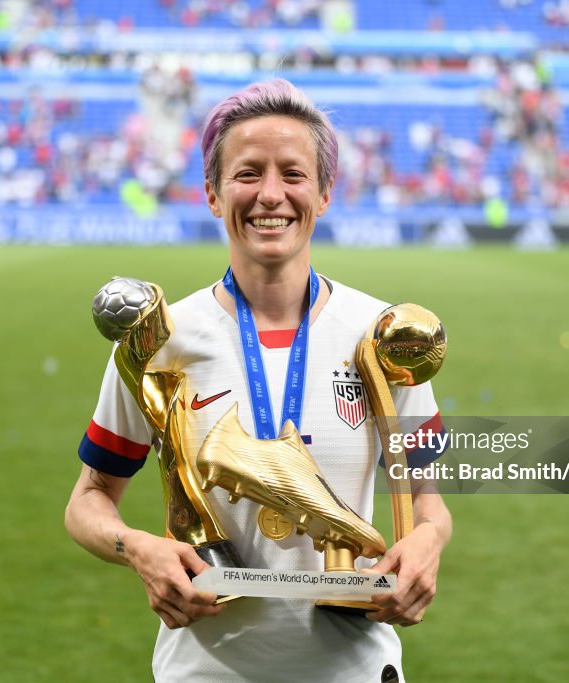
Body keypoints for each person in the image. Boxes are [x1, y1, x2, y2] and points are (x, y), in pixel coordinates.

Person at [65, 79, 452, 682]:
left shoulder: (382, 335)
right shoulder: (161, 339)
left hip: (353, 669)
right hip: (204, 671)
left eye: (292, 174)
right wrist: (140, 550)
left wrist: (426, 547)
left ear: (324, 194)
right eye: (248, 174)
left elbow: (428, 501)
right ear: (214, 195)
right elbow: (88, 501)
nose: (271, 195)